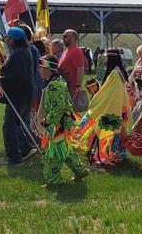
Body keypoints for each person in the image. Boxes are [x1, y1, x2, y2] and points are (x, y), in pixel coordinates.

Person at [36, 55, 89, 185]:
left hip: (58, 124)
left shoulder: (55, 85)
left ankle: (54, 180)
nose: (39, 70)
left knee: (53, 154)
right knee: (64, 150)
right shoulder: (56, 81)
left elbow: (57, 108)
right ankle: (80, 170)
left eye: (42, 68)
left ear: (49, 69)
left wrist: (46, 122)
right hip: (62, 122)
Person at [76, 48, 131, 167]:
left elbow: (108, 93)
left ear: (111, 59)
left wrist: (97, 100)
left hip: (112, 107)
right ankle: (114, 152)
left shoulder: (115, 74)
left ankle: (106, 154)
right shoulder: (118, 71)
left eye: (106, 58)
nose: (104, 60)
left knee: (107, 130)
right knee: (115, 131)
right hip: (117, 106)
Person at [0, 27, 37, 165]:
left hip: (18, 95)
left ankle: (14, 157)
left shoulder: (18, 54)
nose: (5, 39)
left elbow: (19, 77)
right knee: (17, 124)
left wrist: (1, 79)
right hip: (24, 94)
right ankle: (25, 148)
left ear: (13, 39)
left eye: (7, 37)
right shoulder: (23, 52)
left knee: (10, 126)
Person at [58, 29, 88, 113]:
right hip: (64, 87)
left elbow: (80, 69)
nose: (63, 38)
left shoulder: (76, 50)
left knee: (70, 113)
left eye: (65, 36)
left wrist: (78, 86)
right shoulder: (67, 51)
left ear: (73, 38)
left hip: (71, 88)